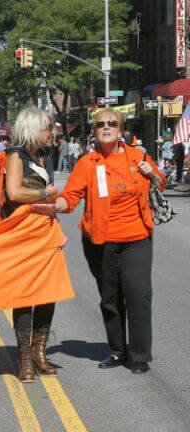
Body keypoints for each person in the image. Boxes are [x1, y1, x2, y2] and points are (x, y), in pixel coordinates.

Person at [43, 108, 166, 375]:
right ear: (95, 131)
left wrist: (152, 173)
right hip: (100, 241)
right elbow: (71, 195)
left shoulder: (139, 157)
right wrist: (54, 206)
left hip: (137, 238)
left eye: (112, 123)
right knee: (110, 298)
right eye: (101, 124)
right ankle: (118, 351)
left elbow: (161, 182)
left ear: (121, 130)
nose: (106, 127)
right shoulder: (89, 163)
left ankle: (140, 355)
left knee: (138, 295)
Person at [0, 107, 58, 383]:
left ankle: (39, 350)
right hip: (22, 235)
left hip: (45, 233)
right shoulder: (15, 156)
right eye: (48, 128)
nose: (52, 132)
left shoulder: (41, 157)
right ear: (33, 129)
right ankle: (24, 357)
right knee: (24, 296)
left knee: (47, 292)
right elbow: (14, 192)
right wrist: (45, 193)